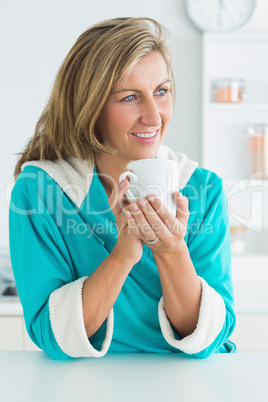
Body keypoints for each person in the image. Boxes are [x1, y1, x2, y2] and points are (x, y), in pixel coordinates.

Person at [9, 17, 236, 360]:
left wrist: (172, 252)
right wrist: (122, 256)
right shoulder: (41, 192)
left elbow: (210, 337)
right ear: (89, 107)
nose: (154, 117)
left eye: (161, 91)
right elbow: (50, 335)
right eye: (130, 97)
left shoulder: (203, 189)